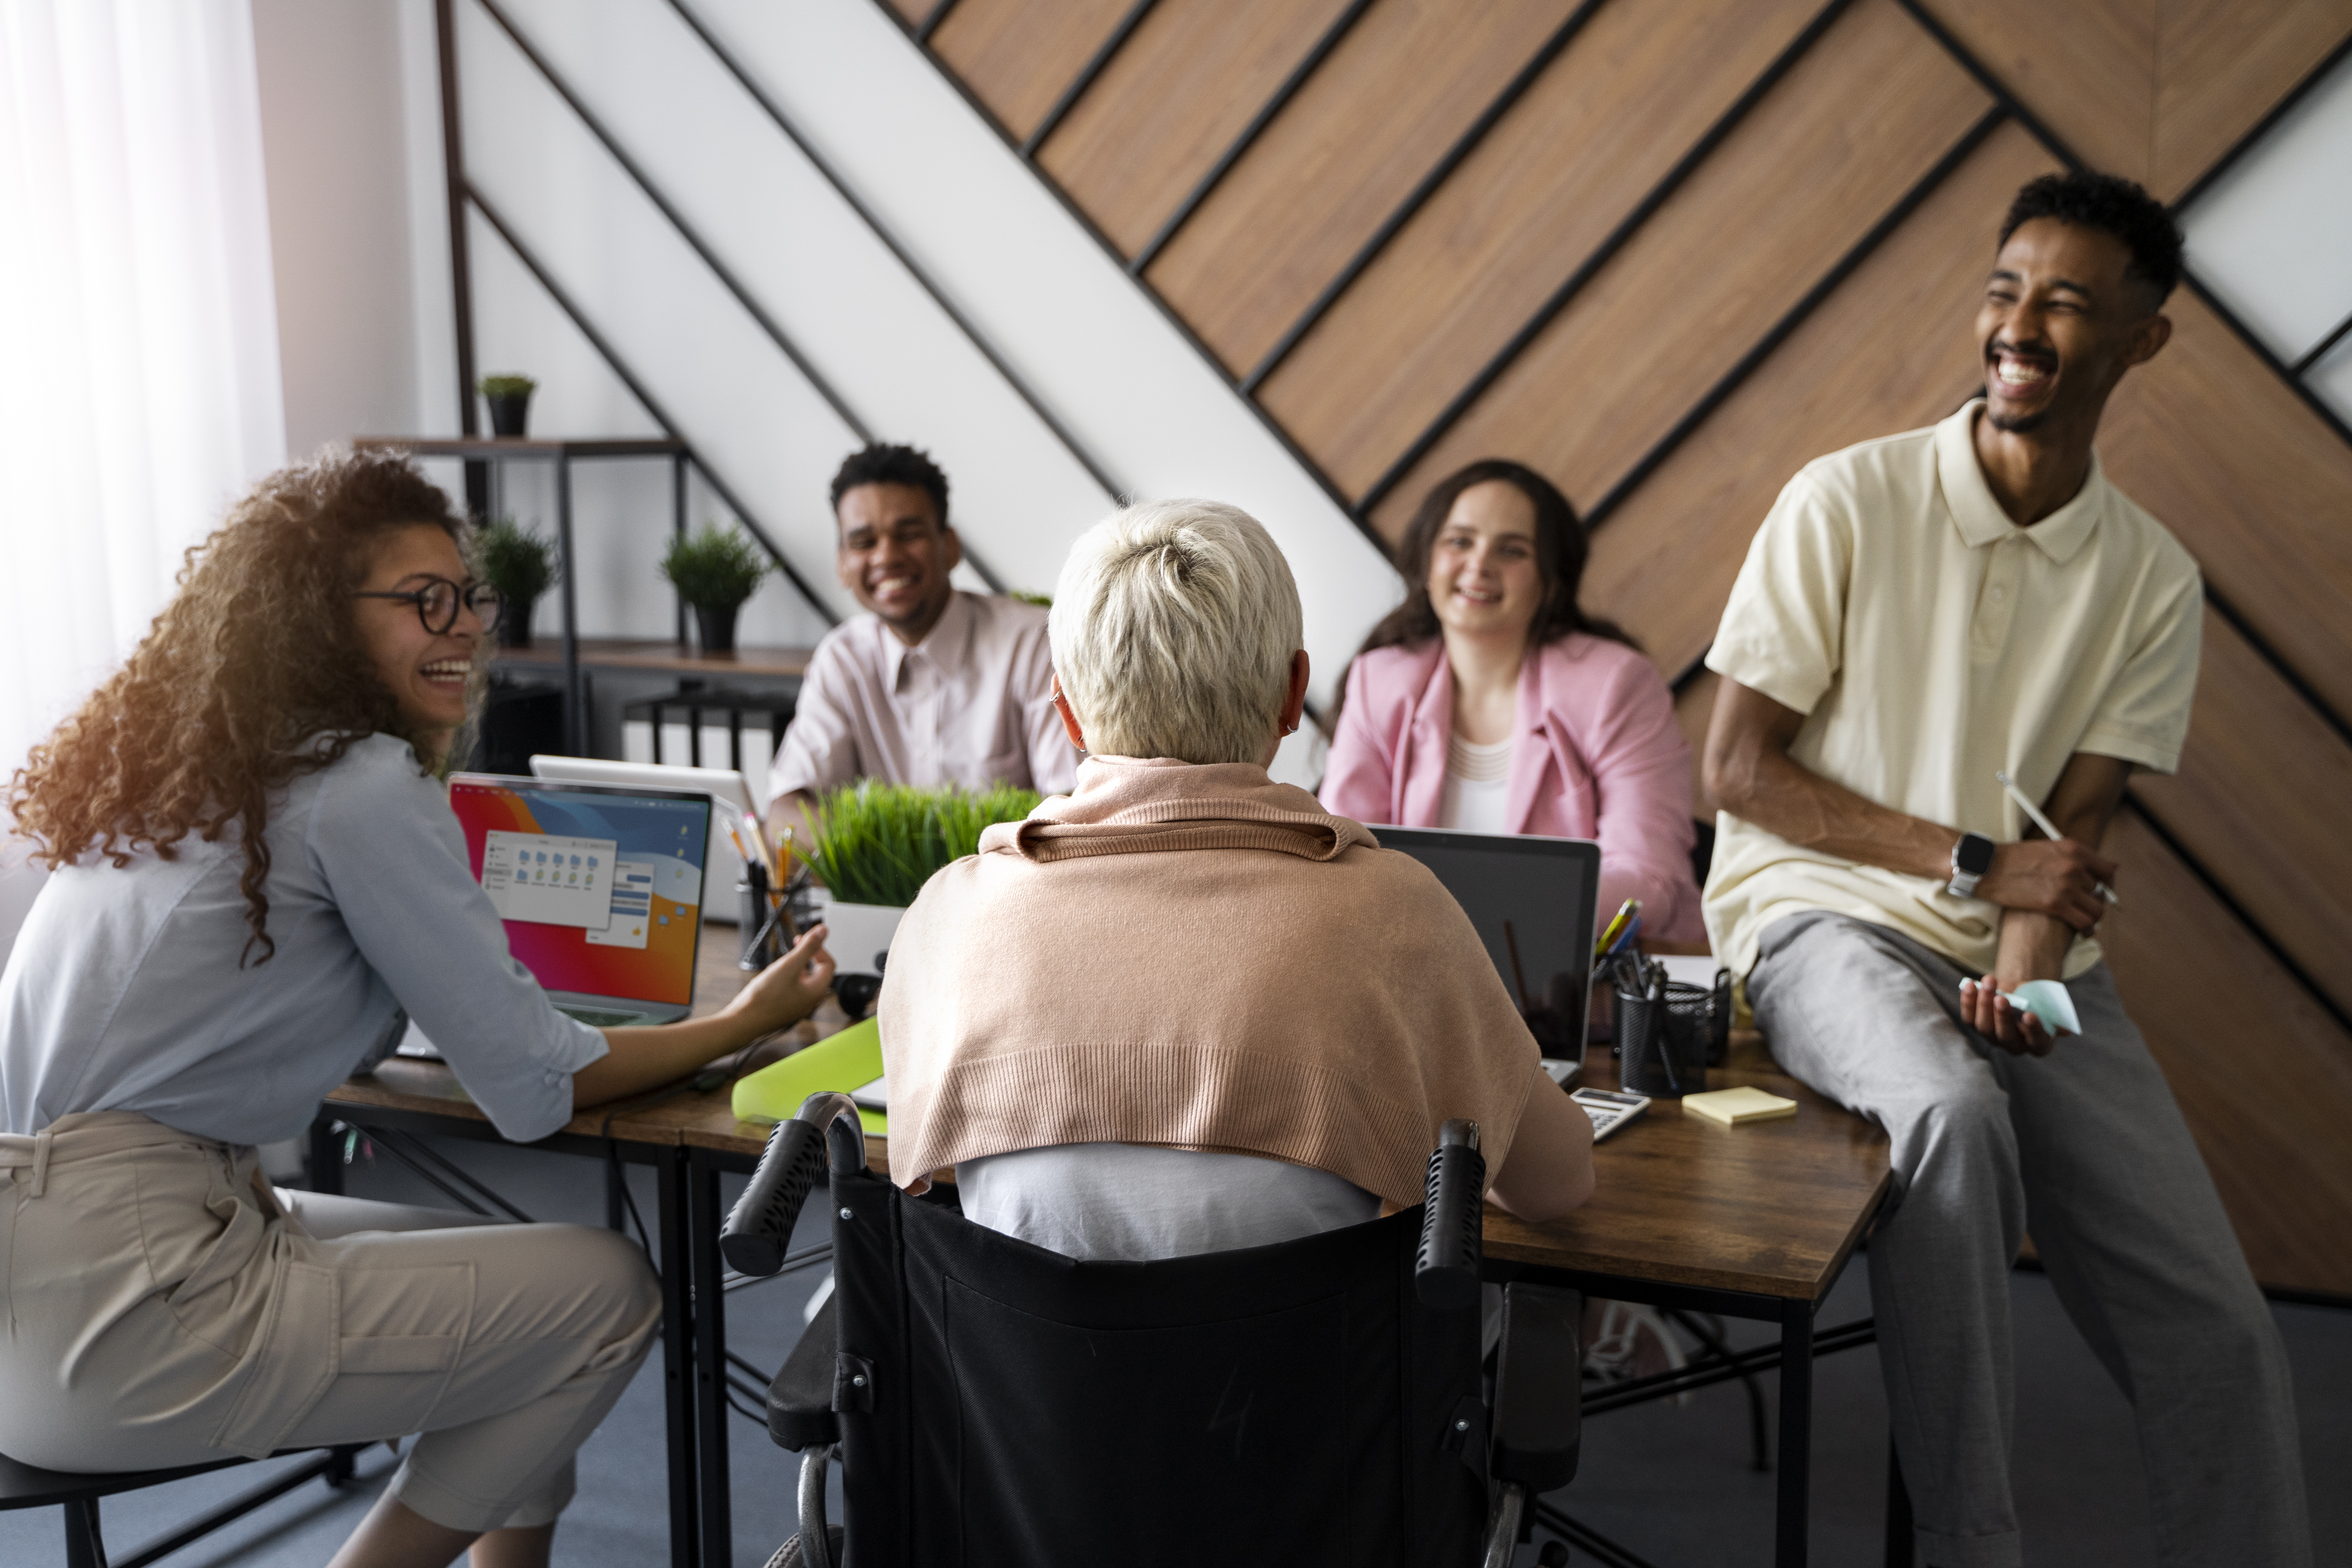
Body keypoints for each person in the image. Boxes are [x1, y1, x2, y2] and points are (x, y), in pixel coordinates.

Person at [0, 451, 837, 1568]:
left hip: (42, 1291)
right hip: (133, 1304)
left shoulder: (188, 776)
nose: (461, 629)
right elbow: (536, 1091)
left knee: (516, 1291)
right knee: (604, 1295)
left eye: (467, 599)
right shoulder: (358, 787)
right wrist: (746, 1021)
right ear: (316, 621)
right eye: (421, 600)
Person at [1701, 172, 2308, 1567]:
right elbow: (1734, 771)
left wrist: (2025, 959)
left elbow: (2076, 832)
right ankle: (1975, 1543)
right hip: (1820, 918)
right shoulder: (1844, 498)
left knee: (2215, 1325)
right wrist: (1976, 870)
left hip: (2029, 954)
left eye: (2063, 303)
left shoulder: (2151, 577)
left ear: (2139, 343)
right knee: (1949, 1119)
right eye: (2003, 288)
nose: (2017, 325)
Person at [878, 499, 1595, 1262]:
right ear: (1293, 693)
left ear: (1068, 715)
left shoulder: (946, 919)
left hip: (1009, 1380)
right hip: (1323, 1379)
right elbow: (1558, 1185)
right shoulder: (1398, 912)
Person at [1320, 460, 1703, 943]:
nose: (1479, 565)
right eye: (1459, 541)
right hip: (1415, 970)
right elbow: (1341, 856)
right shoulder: (1380, 679)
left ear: (1551, 579)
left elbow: (1649, 878)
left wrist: (1499, 918)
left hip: (1581, 980)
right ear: (1425, 561)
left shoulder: (1614, 684)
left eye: (1512, 550)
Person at [767, 444, 1077, 843]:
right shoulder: (843, 658)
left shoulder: (1032, 644)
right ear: (843, 563)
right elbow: (784, 815)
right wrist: (885, 864)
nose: (887, 556)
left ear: (949, 546)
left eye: (909, 534)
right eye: (864, 542)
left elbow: (1070, 809)